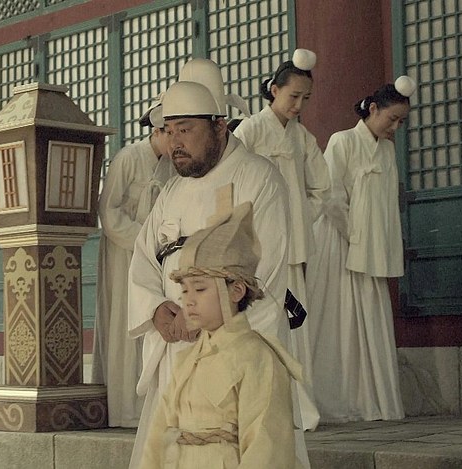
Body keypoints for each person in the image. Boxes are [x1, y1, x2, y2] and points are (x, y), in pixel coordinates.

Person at [127, 79, 311, 467]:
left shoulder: (258, 177)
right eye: (169, 131)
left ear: (219, 126)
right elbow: (143, 259)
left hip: (235, 355)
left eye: (185, 130)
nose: (175, 142)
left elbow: (265, 271)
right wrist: (156, 309)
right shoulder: (172, 192)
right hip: (175, 348)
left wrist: (203, 319)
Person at [139, 198, 303, 469]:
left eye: (200, 289)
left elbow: (266, 446)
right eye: (185, 290)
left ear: (236, 291)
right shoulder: (187, 360)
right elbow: (157, 438)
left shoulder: (258, 358)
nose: (189, 300)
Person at [306, 76, 417, 422]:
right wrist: (355, 235)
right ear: (373, 109)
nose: (395, 128)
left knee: (370, 313)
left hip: (370, 247)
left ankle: (374, 399)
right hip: (339, 241)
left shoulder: (386, 150)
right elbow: (330, 195)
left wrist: (375, 243)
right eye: (392, 119)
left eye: (401, 122)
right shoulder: (343, 141)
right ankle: (334, 398)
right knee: (337, 317)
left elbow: (385, 205)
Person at [233, 49, 330, 392]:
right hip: (257, 244)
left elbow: (321, 188)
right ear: (274, 90)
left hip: (292, 245)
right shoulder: (249, 130)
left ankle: (298, 397)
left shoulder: (302, 138)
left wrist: (298, 219)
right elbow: (232, 180)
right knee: (260, 315)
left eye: (306, 98)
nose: (299, 105)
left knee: (293, 319)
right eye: (293, 96)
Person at [92, 105, 174, 427]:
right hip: (124, 251)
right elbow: (108, 209)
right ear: (156, 132)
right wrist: (141, 237)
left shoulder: (171, 166)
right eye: (170, 134)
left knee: (152, 315)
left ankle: (148, 403)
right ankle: (124, 406)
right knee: (126, 319)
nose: (176, 142)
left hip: (156, 253)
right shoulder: (128, 158)